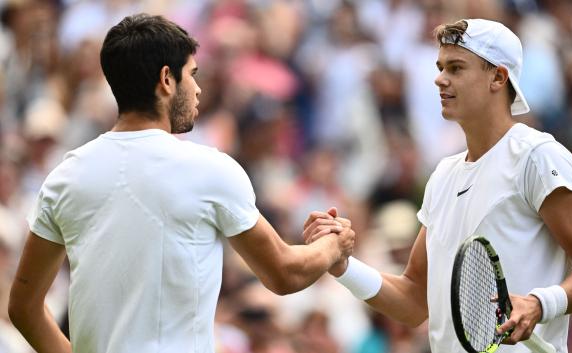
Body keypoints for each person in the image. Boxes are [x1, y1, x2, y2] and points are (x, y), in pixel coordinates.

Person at [8, 14, 354, 353]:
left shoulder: (64, 177)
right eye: (192, 74)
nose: (198, 88)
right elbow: (285, 274)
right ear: (166, 79)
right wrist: (333, 246)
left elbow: (23, 308)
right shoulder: (209, 169)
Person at [304, 19, 572, 352]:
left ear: (497, 77)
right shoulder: (442, 176)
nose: (439, 79)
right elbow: (412, 300)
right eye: (440, 67)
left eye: (456, 67)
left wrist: (539, 304)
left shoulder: (538, 157)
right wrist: (342, 266)